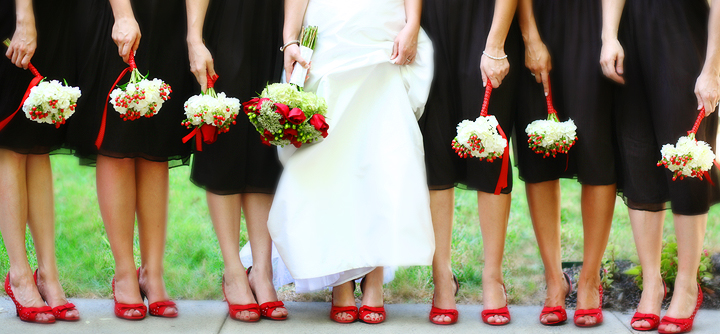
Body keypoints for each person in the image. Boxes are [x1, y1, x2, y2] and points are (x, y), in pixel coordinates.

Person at [273, 0, 435, 324]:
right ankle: (341, 279)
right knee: (330, 156)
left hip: (382, 28)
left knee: (380, 150)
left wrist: (412, 22)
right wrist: (291, 39)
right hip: (329, 29)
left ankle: (374, 277)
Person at [65, 0, 194, 320]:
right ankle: (124, 272)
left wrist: (194, 33)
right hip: (114, 14)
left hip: (166, 18)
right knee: (117, 144)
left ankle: (153, 272)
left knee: (155, 145)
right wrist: (122, 14)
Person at [601, 0, 720, 332]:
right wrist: (609, 35)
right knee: (638, 157)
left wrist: (712, 69)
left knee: (686, 164)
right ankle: (652, 283)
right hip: (631, 37)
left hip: (686, 35)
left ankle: (686, 284)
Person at [185, 0, 288, 322]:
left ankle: (262, 272)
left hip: (277, 27)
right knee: (225, 139)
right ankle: (233, 271)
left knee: (266, 146)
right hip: (226, 21)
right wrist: (194, 37)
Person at [514, 0, 616, 327]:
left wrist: (610, 34)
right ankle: (554, 280)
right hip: (536, 20)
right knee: (539, 155)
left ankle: (589, 281)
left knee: (597, 153)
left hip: (597, 22)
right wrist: (530, 37)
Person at [420, 0, 519, 325]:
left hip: (487, 22)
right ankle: (442, 279)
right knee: (435, 154)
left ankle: (493, 278)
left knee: (490, 149)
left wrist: (495, 44)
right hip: (428, 23)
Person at [0, 0, 80, 324]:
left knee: (38, 144)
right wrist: (24, 17)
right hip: (19, 12)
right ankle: (19, 274)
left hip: (54, 12)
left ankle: (48, 273)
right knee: (11, 144)